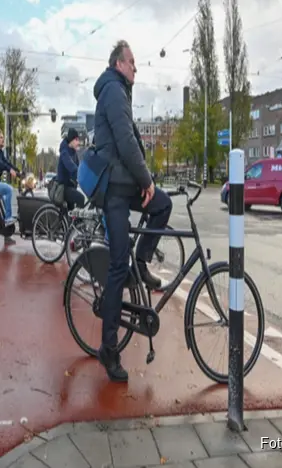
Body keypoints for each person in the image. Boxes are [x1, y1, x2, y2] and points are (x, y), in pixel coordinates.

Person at [92, 40, 172, 382]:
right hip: (115, 191)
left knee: (163, 206)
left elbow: (132, 141)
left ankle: (141, 261)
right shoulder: (112, 90)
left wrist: (146, 182)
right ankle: (108, 350)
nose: (136, 68)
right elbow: (126, 141)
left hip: (127, 186)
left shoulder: (119, 91)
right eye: (133, 63)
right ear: (118, 64)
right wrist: (146, 179)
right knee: (115, 269)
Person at [57, 128, 86, 210]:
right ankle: (78, 222)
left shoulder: (74, 153)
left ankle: (72, 222)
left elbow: (79, 166)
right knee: (80, 198)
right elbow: (72, 167)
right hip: (64, 188)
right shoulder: (64, 153)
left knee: (72, 210)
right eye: (76, 140)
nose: (78, 142)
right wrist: (79, 173)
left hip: (71, 186)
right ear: (71, 140)